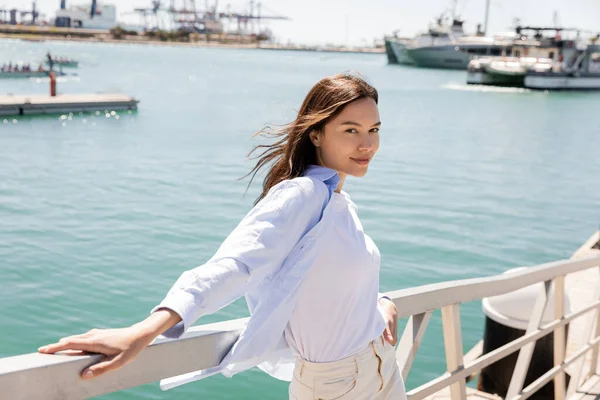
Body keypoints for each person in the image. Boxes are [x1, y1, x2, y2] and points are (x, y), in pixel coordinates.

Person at [38, 73, 407, 400]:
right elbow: (236, 264)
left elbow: (332, 279)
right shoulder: (302, 195)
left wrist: (382, 302)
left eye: (374, 130)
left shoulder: (338, 201)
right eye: (351, 130)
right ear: (316, 133)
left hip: (382, 366)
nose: (367, 145)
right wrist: (145, 331)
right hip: (337, 385)